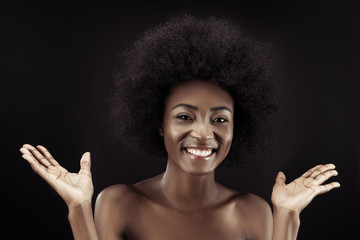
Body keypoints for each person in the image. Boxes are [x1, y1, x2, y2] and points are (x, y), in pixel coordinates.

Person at [19, 14, 340, 240]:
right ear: (159, 124)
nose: (204, 132)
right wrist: (78, 208)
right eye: (185, 116)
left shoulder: (253, 212)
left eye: (220, 119)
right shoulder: (119, 203)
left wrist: (286, 215)